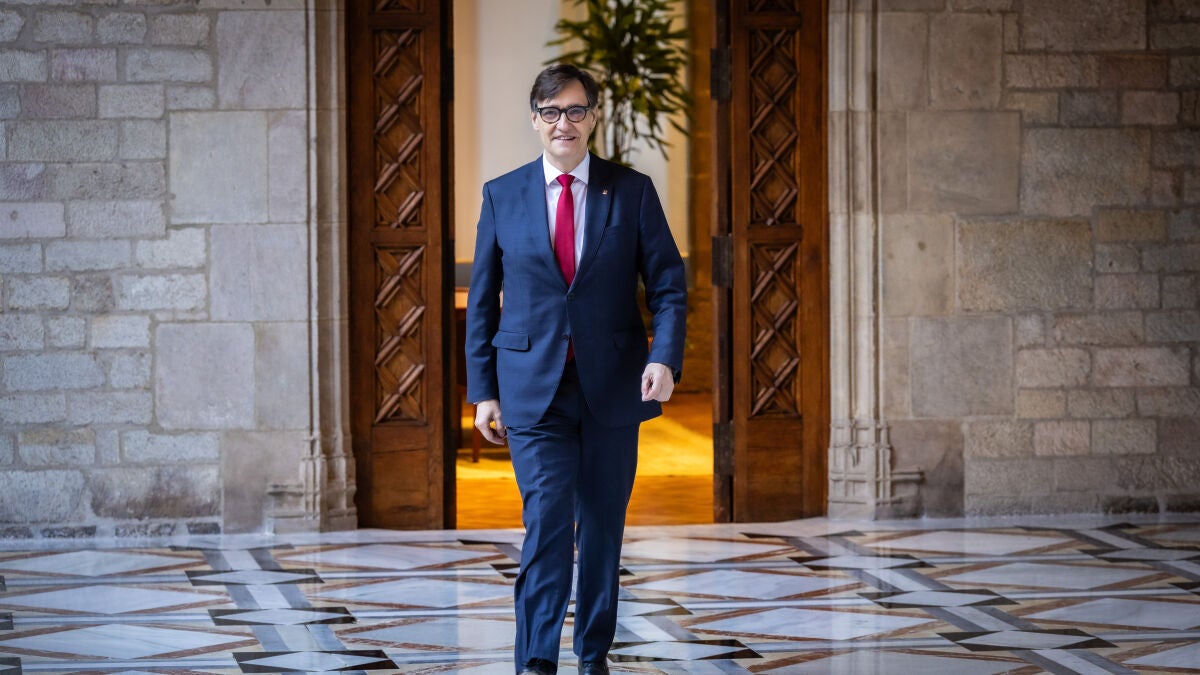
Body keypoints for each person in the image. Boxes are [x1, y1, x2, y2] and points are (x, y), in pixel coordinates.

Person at [464, 64, 687, 675]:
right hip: (532, 390)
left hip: (612, 388)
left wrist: (664, 356)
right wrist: (484, 392)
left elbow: (668, 285)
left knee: (602, 530)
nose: (564, 122)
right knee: (546, 524)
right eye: (551, 111)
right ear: (534, 119)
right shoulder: (502, 194)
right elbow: (482, 301)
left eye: (576, 110)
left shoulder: (632, 191)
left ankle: (593, 654)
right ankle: (537, 660)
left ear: (593, 116)